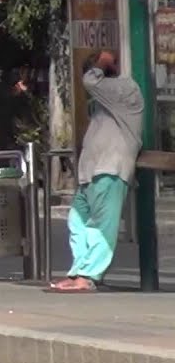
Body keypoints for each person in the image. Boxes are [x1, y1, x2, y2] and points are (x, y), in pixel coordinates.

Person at [49, 50, 143, 293]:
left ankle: (89, 275)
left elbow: (90, 81)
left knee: (101, 226)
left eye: (98, 67)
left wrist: (103, 61)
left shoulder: (126, 89)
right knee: (77, 221)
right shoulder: (104, 101)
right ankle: (79, 271)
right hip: (91, 173)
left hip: (110, 170)